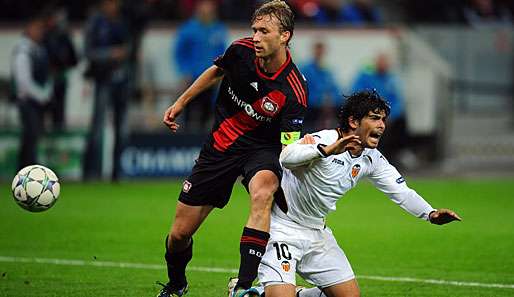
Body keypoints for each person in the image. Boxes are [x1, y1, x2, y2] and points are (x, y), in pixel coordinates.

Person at [245, 90, 461, 297]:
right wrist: (325, 151)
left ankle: (289, 293)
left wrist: (430, 214)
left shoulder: (372, 158)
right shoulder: (325, 139)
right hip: (283, 229)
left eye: (383, 120)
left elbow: (401, 191)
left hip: (317, 233)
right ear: (353, 122)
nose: (382, 125)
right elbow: (286, 157)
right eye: (375, 118)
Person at [158, 1, 308, 296]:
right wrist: (180, 103)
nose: (256, 37)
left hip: (261, 150)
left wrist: (290, 185)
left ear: (285, 36)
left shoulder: (294, 90)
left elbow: (288, 149)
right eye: (254, 30)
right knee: (179, 234)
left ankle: (242, 286)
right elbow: (215, 72)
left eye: (264, 31)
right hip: (221, 145)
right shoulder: (240, 51)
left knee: (263, 192)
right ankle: (177, 284)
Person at [82, 0, 130, 181]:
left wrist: (125, 54)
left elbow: (129, 48)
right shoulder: (95, 23)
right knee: (97, 128)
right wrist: (109, 54)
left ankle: (117, 173)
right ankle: (92, 172)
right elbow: (87, 52)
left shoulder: (122, 22)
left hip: (121, 80)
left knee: (121, 129)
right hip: (102, 80)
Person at [172, 0, 228, 131]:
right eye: (205, 6)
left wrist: (221, 72)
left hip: (211, 79)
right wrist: (184, 71)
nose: (208, 9)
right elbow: (179, 53)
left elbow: (223, 53)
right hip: (193, 78)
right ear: (199, 8)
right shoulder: (188, 29)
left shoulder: (219, 29)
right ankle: (184, 141)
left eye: (211, 6)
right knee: (188, 112)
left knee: (209, 113)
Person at [10, 15, 52, 170]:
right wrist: (43, 96)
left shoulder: (39, 49)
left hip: (38, 101)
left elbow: (45, 75)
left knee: (34, 138)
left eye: (41, 29)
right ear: (28, 29)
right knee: (29, 137)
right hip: (28, 101)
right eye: (37, 28)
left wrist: (47, 92)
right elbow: (23, 81)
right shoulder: (24, 50)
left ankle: (30, 170)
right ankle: (24, 172)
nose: (40, 32)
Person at [351, 53, 406, 168]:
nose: (383, 65)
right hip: (367, 114)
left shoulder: (391, 80)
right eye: (381, 62)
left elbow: (397, 100)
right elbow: (357, 95)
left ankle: (391, 157)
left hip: (386, 116)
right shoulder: (365, 76)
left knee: (401, 122)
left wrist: (390, 115)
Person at [43, 7, 78, 131]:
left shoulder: (64, 37)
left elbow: (74, 60)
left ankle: (58, 132)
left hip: (60, 78)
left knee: (59, 110)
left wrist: (63, 65)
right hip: (44, 80)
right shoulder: (43, 36)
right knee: (43, 109)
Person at [301, 41, 341, 131]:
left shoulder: (327, 70)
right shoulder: (305, 69)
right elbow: (303, 90)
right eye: (318, 50)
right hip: (312, 107)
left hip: (326, 106)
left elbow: (334, 89)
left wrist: (331, 100)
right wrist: (321, 100)